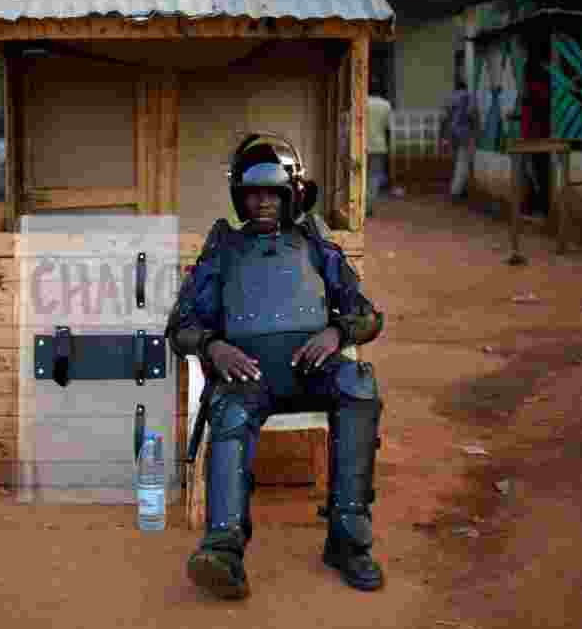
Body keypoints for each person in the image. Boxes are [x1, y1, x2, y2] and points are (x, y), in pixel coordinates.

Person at [165, 133, 386, 599]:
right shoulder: (224, 248)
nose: (263, 202)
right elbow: (179, 326)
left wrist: (336, 332)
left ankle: (348, 540)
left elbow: (367, 314)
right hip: (250, 377)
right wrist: (212, 346)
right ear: (240, 198)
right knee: (229, 408)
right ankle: (223, 548)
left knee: (358, 385)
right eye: (253, 193)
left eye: (273, 193)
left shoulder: (314, 243)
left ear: (291, 196)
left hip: (311, 369)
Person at [440, 79, 479, 199]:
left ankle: (461, 189)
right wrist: (475, 129)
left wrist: (444, 137)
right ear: (465, 87)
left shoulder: (450, 99)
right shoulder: (469, 97)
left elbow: (444, 118)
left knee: (457, 161)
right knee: (463, 162)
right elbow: (471, 114)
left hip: (451, 134)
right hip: (464, 134)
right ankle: (456, 191)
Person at [366, 85, 393, 217]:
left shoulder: (362, 102)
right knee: (374, 177)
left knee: (360, 176)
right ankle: (369, 206)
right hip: (379, 145)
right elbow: (388, 129)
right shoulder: (386, 105)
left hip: (361, 145)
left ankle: (360, 206)